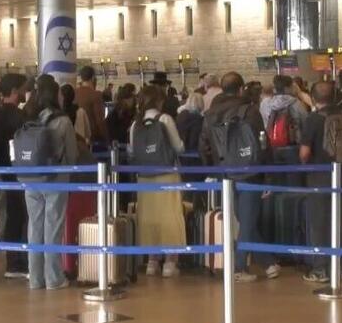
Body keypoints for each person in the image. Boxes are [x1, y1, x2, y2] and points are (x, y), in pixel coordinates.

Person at [198, 71, 280, 282]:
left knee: (245, 219)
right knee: (247, 221)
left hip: (225, 173)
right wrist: (268, 175)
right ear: (241, 88)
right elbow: (262, 144)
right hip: (249, 173)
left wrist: (213, 169)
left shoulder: (210, 114)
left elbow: (203, 147)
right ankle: (239, 268)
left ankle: (269, 263)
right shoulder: (249, 111)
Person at [299, 81, 342, 283]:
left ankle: (321, 269)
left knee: (319, 224)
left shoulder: (313, 120)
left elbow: (305, 152)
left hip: (319, 177)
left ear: (313, 99)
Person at [25, 77, 79, 291]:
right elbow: (72, 154)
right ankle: (54, 278)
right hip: (56, 179)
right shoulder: (63, 121)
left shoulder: (29, 117)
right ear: (56, 95)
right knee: (53, 227)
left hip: (30, 179)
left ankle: (35, 278)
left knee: (34, 227)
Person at [130, 84, 186, 278]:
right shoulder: (165, 119)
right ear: (160, 100)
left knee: (149, 218)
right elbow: (178, 147)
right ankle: (170, 262)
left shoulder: (135, 124)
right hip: (167, 174)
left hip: (144, 177)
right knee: (170, 216)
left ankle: (152, 262)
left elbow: (131, 151)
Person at [0, 74, 30, 279]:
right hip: (17, 172)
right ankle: (19, 262)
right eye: (23, 89)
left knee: (11, 215)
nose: (25, 92)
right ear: (15, 91)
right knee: (21, 216)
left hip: (1, 171)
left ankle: (12, 261)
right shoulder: (18, 116)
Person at [259, 74, 310, 165]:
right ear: (288, 88)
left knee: (276, 176)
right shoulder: (296, 103)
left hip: (271, 146)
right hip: (292, 146)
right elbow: (306, 122)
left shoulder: (265, 103)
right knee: (294, 176)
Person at [75, 65, 109, 145]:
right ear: (93, 77)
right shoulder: (96, 95)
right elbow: (99, 120)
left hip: (76, 137)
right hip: (92, 139)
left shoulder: (74, 93)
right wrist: (107, 140)